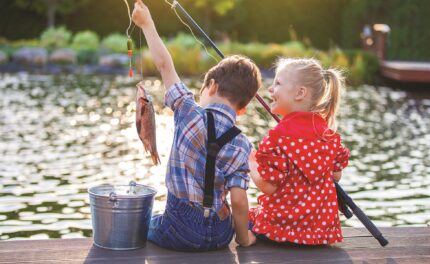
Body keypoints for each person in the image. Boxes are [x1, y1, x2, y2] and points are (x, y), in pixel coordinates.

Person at [132, 0, 262, 251]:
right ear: (243, 109)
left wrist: (147, 24)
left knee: (144, 222)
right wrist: (243, 239)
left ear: (211, 85)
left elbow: (164, 65)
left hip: (179, 229)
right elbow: (238, 200)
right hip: (221, 234)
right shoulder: (243, 144)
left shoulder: (188, 111)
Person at [248, 58, 349, 245]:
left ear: (300, 93)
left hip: (278, 231)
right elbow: (336, 176)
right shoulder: (328, 136)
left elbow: (268, 186)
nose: (271, 89)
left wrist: (251, 162)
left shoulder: (276, 139)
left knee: (240, 219)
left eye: (277, 83)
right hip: (320, 235)